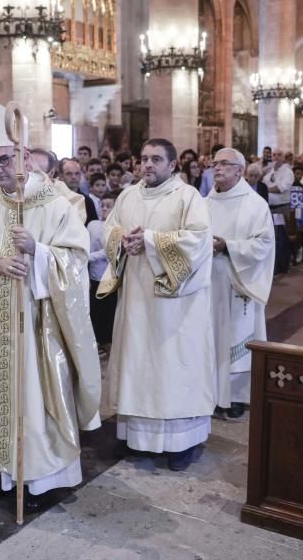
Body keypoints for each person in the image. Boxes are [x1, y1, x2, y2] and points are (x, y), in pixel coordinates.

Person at [0, 99, 101, 511]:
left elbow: (77, 260)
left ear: (25, 157)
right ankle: (8, 473)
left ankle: (42, 481)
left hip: (39, 325)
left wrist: (40, 253)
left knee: (35, 401)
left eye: (4, 159)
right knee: (2, 399)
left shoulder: (56, 205)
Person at [103, 138, 213, 472]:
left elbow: (198, 241)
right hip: (137, 299)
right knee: (139, 364)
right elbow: (108, 229)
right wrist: (121, 240)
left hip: (174, 307)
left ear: (172, 164)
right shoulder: (129, 194)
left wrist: (149, 240)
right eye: (143, 158)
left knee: (173, 367)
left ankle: (182, 442)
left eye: (156, 159)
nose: (147, 165)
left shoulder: (187, 197)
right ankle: (141, 440)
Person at [206, 148, 275, 419]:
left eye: (224, 164)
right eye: (215, 164)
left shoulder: (255, 204)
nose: (218, 168)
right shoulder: (203, 203)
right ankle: (210, 393)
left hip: (239, 280)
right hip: (208, 281)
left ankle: (234, 396)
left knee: (236, 336)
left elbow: (264, 243)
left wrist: (228, 247)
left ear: (240, 170)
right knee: (210, 336)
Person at [86, 192, 117, 347]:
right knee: (95, 310)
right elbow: (87, 244)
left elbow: (108, 251)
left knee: (108, 310)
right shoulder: (93, 224)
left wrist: (86, 257)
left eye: (108, 206)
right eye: (102, 206)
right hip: (93, 274)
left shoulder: (116, 227)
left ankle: (107, 342)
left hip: (109, 275)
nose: (104, 209)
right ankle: (96, 341)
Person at [59, 158, 98, 224]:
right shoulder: (56, 200)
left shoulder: (88, 201)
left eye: (77, 173)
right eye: (69, 174)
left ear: (80, 176)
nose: (73, 177)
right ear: (62, 177)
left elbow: (93, 226)